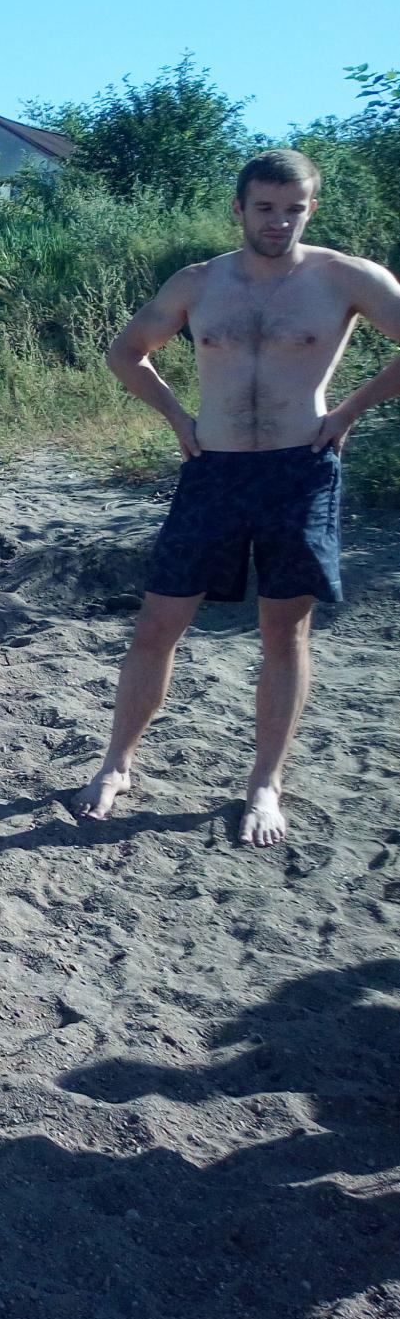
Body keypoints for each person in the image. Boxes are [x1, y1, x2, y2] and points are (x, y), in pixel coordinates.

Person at [74, 149, 400, 846]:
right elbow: (125, 352)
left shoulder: (344, 277)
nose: (278, 222)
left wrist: (347, 412)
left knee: (284, 631)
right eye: (265, 208)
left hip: (298, 470)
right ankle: (116, 763)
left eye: (293, 209)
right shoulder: (199, 283)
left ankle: (264, 783)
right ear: (240, 208)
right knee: (158, 622)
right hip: (213, 469)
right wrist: (176, 416)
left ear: (310, 209)